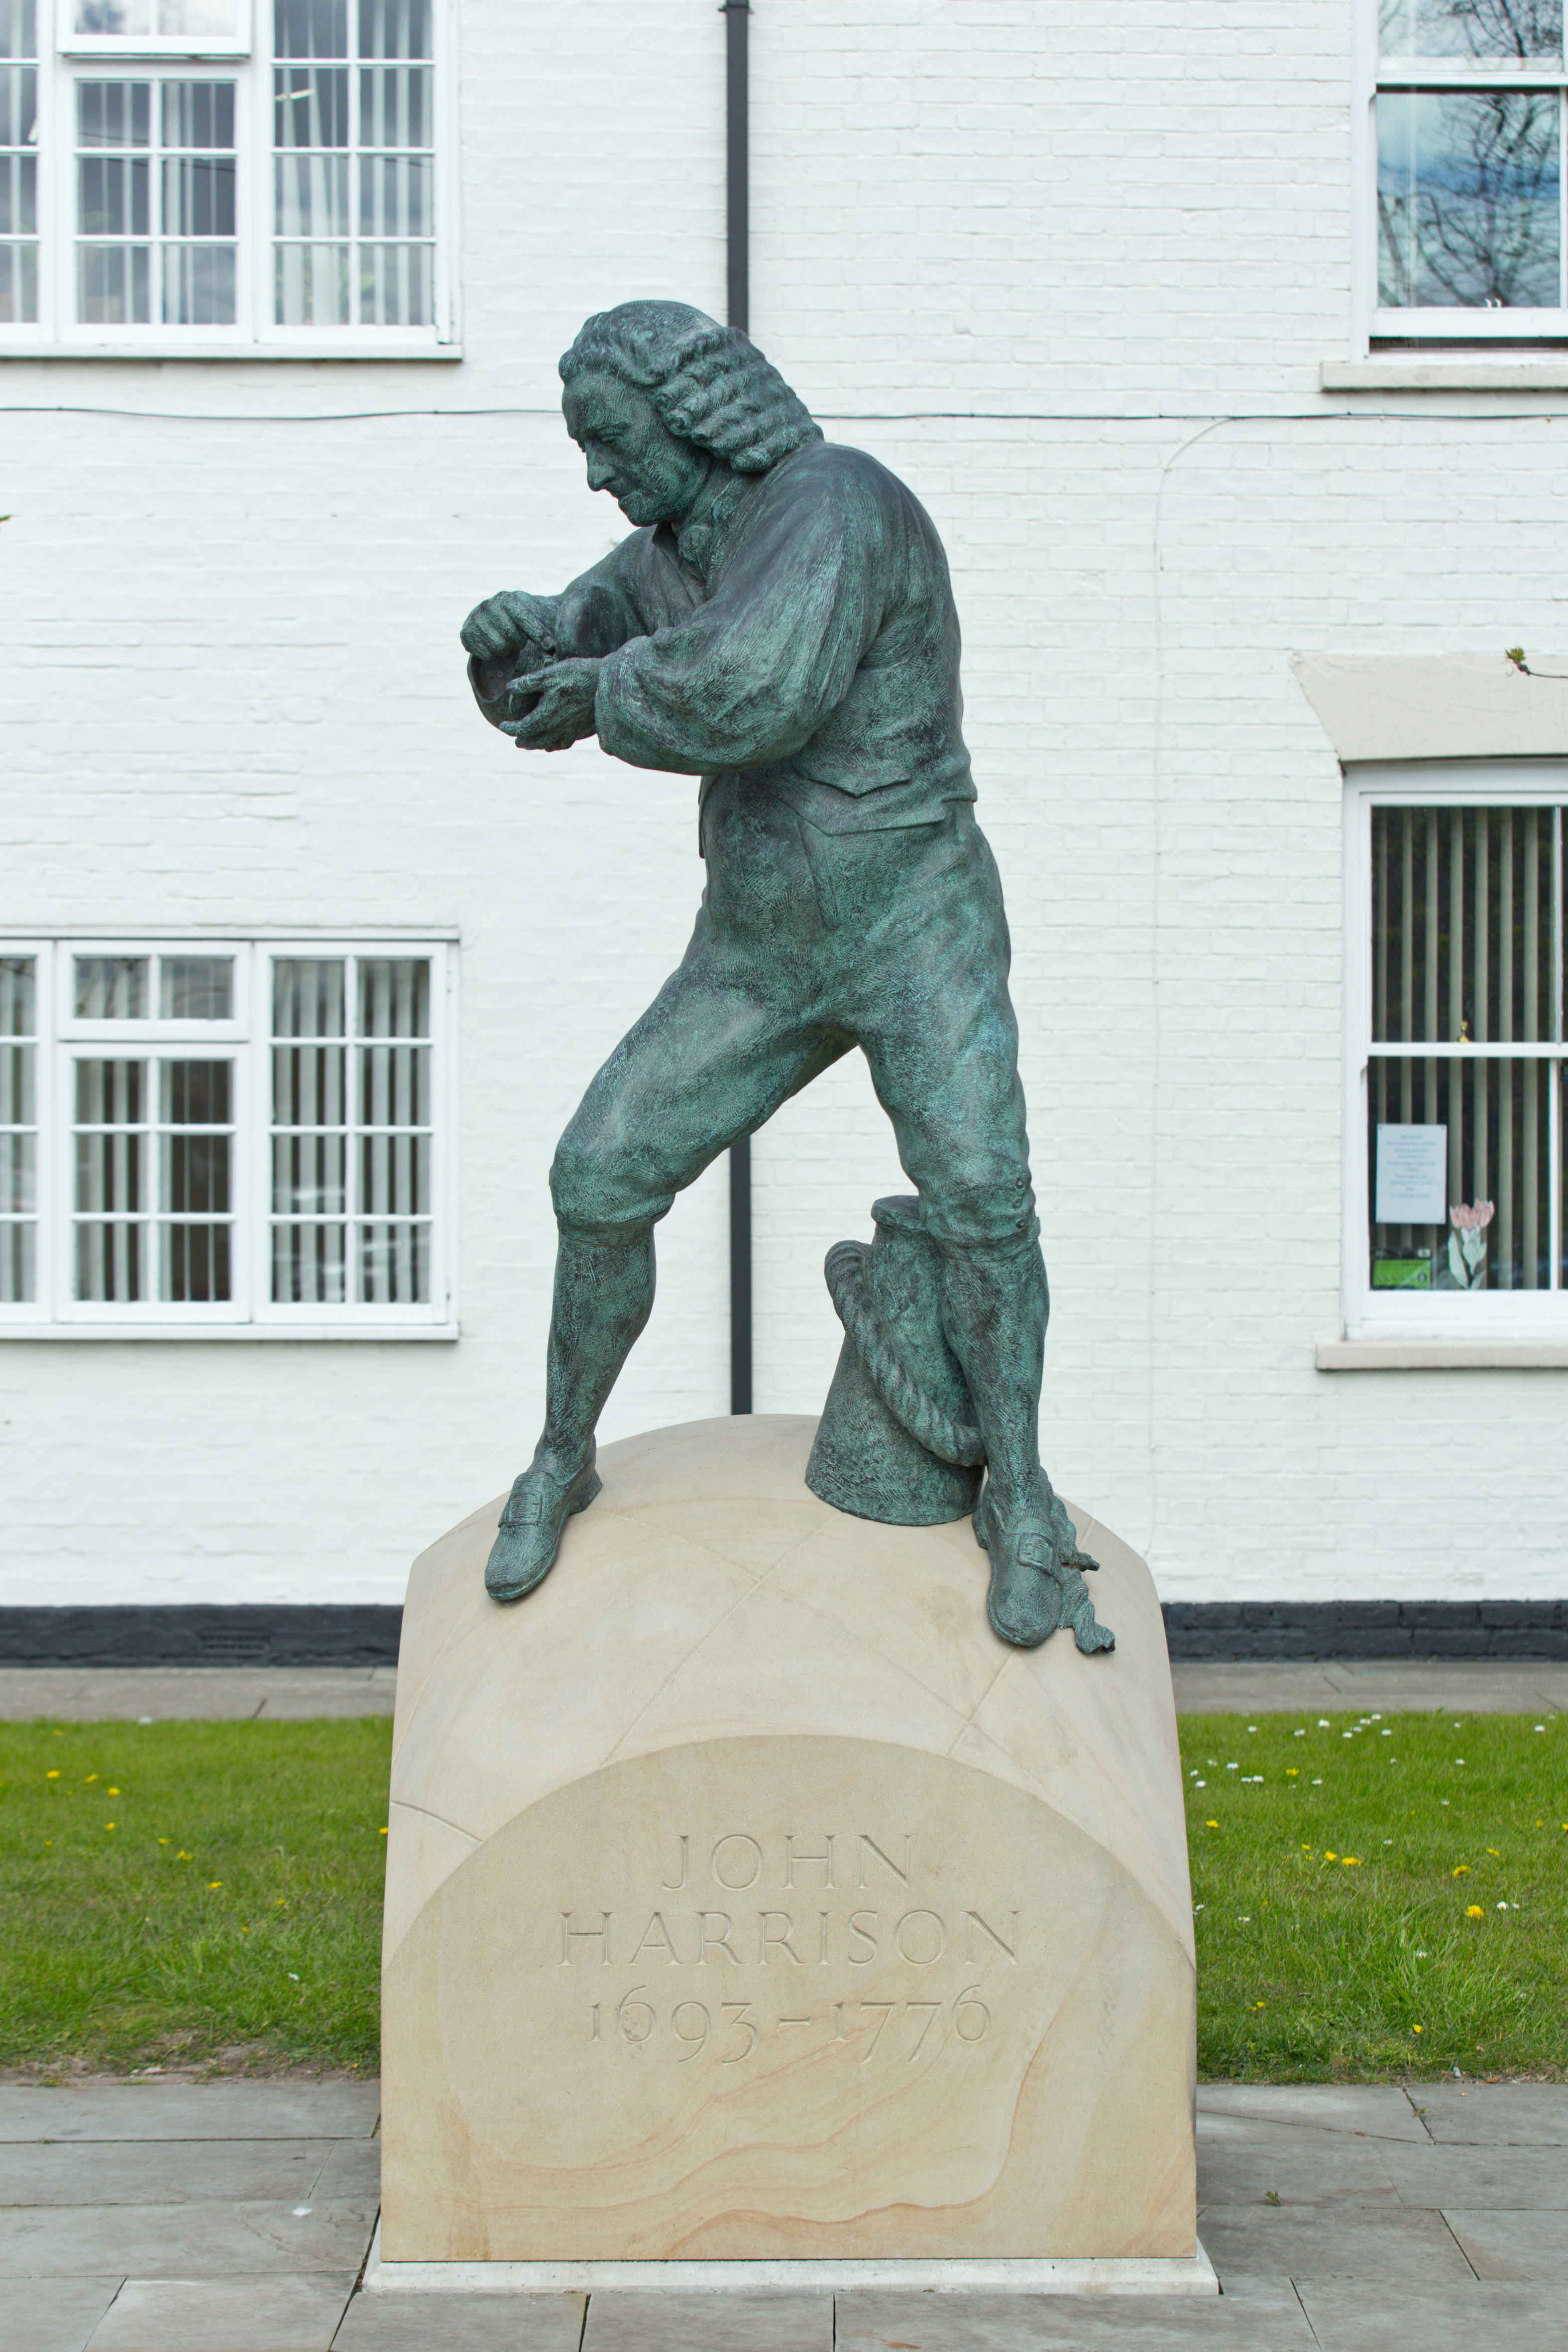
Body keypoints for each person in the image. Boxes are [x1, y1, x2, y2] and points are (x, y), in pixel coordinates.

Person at [460, 300, 1111, 1654]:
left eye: (606, 438)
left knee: (984, 1195)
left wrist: (598, 689)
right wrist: (523, 646)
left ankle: (1028, 1497)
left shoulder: (834, 506)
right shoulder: (677, 544)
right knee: (600, 1171)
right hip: (761, 943)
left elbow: (754, 687)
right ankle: (560, 1453)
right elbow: (601, 631)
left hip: (912, 918)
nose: (596, 471)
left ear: (684, 414)